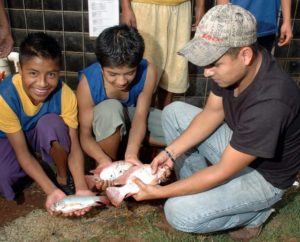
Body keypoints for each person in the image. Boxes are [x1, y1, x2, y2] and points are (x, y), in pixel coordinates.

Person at [132, 4, 300, 241]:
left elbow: (222, 170)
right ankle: (202, 191)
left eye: (213, 64)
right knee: (173, 112)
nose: (206, 72)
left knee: (177, 212)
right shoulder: (230, 68)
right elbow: (211, 113)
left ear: (245, 55)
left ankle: (255, 215)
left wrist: (161, 192)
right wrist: (170, 153)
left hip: (265, 178)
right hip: (239, 147)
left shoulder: (272, 100)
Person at [0, 32, 93, 216]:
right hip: (9, 137)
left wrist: (82, 187)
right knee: (5, 177)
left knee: (52, 124)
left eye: (51, 74)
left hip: (39, 132)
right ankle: (32, 171)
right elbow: (22, 153)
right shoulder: (5, 96)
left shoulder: (65, 94)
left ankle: (62, 177)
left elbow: (74, 147)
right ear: (19, 67)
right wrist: (50, 190)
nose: (42, 83)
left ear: (59, 71)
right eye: (33, 73)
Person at [76, 24, 165, 190]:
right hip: (104, 132)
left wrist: (131, 153)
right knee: (109, 109)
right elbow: (85, 135)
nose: (122, 81)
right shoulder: (87, 84)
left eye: (130, 73)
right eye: (113, 74)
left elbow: (140, 118)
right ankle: (104, 180)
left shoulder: (149, 71)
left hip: (133, 123)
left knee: (178, 126)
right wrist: (103, 160)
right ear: (101, 68)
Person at [121, 0, 206, 109]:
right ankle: (143, 119)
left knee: (173, 72)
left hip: (181, 7)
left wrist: (200, 5)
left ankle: (162, 119)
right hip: (145, 6)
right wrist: (125, 5)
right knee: (144, 71)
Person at [217, 0, 293, 52]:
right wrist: (225, 23)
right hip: (237, 25)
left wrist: (287, 21)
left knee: (261, 70)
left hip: (267, 24)